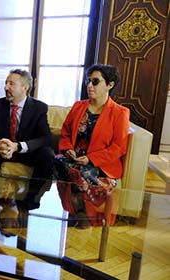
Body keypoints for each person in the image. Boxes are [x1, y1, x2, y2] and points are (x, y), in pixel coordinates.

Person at [54, 64, 130, 228]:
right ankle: (73, 208)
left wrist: (90, 158)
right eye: (88, 81)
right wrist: (68, 149)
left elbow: (118, 147)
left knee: (79, 172)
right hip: (73, 159)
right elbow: (66, 132)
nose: (89, 85)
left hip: (100, 164)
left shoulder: (120, 113)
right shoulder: (78, 107)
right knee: (54, 161)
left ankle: (83, 215)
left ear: (110, 85)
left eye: (95, 82)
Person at [0, 69, 54, 210]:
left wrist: (17, 146)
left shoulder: (39, 108)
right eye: (6, 83)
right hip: (2, 151)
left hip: (25, 152)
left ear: (25, 87)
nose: (6, 87)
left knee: (47, 154)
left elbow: (45, 138)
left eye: (11, 84)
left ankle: (31, 199)